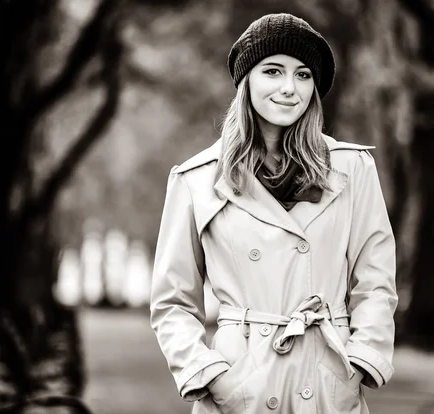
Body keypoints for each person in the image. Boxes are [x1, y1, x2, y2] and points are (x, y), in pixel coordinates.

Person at [150, 12, 398, 414]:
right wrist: (209, 373)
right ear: (247, 81)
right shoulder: (196, 179)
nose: (289, 88)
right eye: (273, 71)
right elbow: (172, 301)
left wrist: (361, 360)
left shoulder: (352, 169)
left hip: (326, 380)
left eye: (303, 75)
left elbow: (376, 281)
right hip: (239, 382)